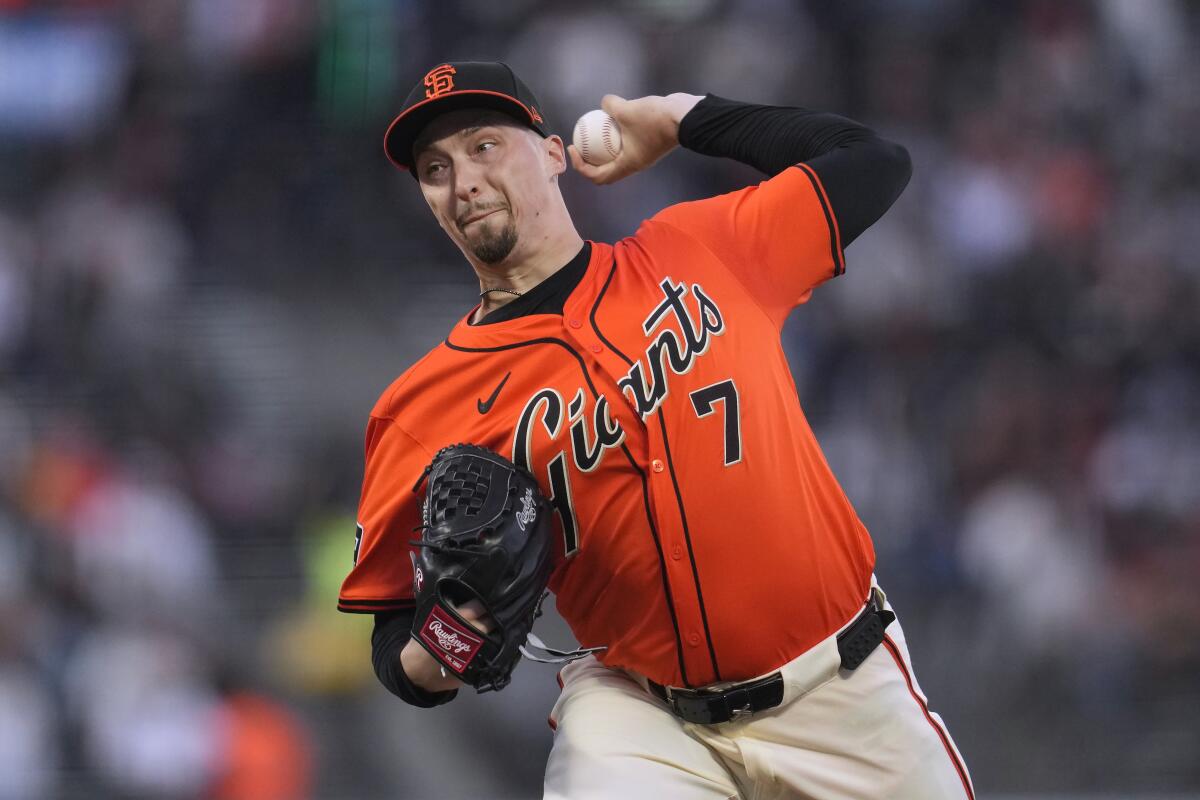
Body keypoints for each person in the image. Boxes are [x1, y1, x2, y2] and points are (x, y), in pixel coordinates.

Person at [338, 60, 974, 799]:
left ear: (552, 154)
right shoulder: (420, 410)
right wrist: (450, 639)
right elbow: (395, 643)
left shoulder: (702, 249)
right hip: (641, 715)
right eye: (435, 167)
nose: (463, 181)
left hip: (843, 689)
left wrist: (681, 118)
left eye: (484, 146)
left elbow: (873, 162)